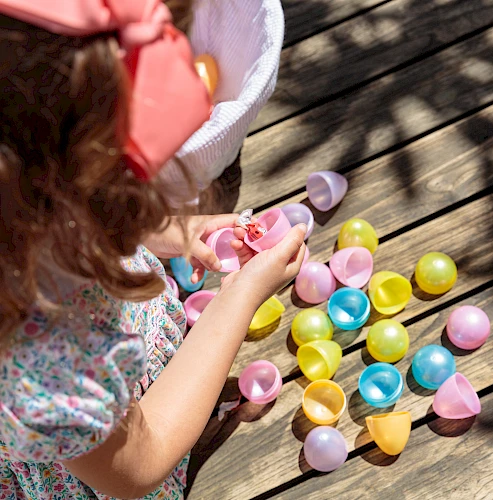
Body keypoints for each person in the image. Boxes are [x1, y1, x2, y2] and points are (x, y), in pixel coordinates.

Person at [0, 1, 307, 499]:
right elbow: (141, 462)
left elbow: (83, 221)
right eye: (129, 190)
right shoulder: (49, 373)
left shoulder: (24, 208)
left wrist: (181, 232)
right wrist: (239, 297)